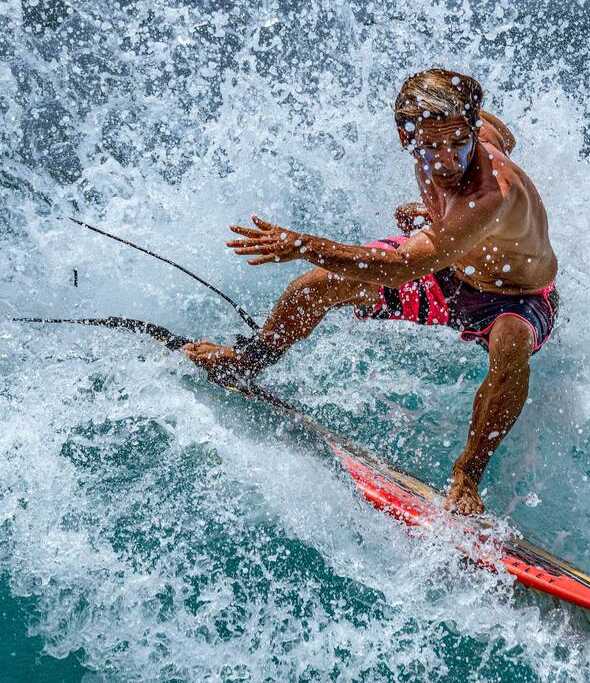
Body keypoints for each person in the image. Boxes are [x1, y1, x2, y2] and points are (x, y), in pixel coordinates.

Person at [183, 69, 558, 515]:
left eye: (459, 142)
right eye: (431, 146)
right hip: (448, 275)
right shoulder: (462, 131)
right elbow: (502, 138)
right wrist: (447, 219)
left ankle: (467, 477)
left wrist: (304, 245)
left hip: (517, 297)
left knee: (510, 342)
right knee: (317, 287)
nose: (447, 161)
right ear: (405, 137)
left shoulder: (490, 194)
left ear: (473, 129)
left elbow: (402, 269)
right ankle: (248, 361)